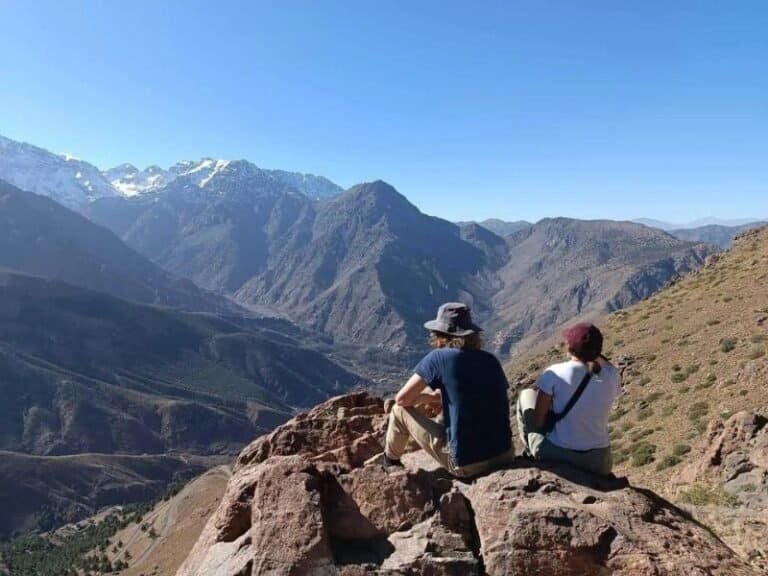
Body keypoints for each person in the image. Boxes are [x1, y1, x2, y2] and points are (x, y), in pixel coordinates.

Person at [381, 302, 515, 478]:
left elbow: (402, 399)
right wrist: (440, 398)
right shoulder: (491, 360)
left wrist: (429, 398)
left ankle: (390, 462)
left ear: (440, 335)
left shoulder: (438, 358)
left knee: (398, 411)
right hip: (505, 454)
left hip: (468, 465)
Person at [516, 322, 621, 476]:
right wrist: (595, 354)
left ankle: (530, 453)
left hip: (559, 456)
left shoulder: (554, 373)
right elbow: (608, 369)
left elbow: (539, 421)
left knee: (526, 394)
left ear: (570, 348)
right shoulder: (612, 374)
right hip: (600, 461)